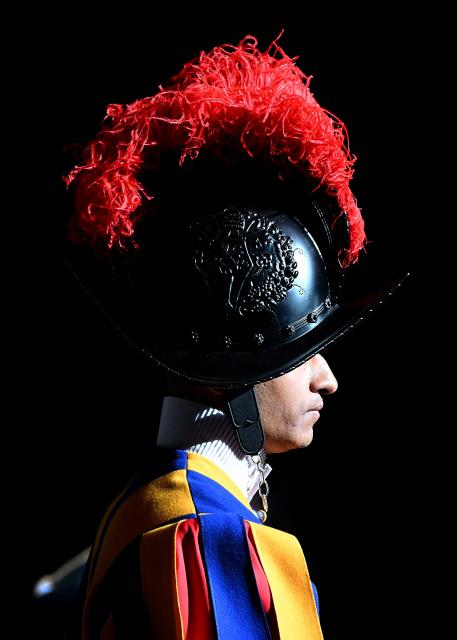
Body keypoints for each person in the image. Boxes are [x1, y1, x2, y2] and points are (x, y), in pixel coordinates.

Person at [58, 32, 407, 639]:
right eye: (301, 351)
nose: (327, 376)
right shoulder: (212, 538)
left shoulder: (138, 506)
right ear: (237, 370)